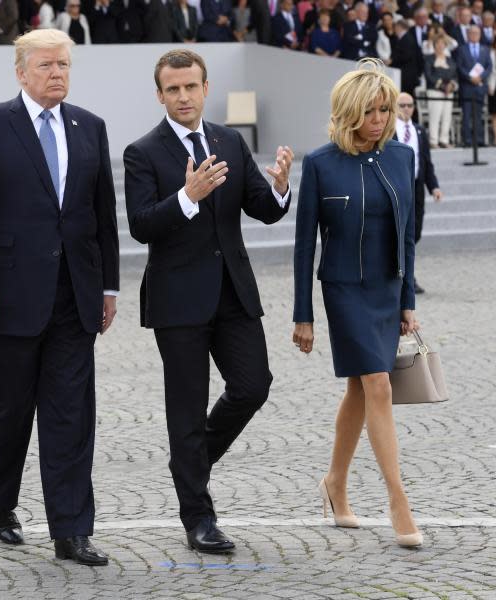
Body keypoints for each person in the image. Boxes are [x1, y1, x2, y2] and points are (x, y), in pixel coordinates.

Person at [0, 29, 119, 566]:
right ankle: (1, 500)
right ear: (21, 72)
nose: (57, 74)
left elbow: (102, 217)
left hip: (75, 295)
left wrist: (108, 286)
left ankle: (70, 531)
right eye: (47, 66)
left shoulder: (89, 127)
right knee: (9, 413)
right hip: (10, 298)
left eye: (64, 65)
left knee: (71, 414)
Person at [123, 49, 293, 555]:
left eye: (190, 87)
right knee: (186, 411)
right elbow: (140, 224)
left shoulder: (228, 140)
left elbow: (261, 208)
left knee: (253, 384)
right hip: (178, 302)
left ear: (205, 87)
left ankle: (191, 462)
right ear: (159, 94)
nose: (183, 96)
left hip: (233, 293)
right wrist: (187, 197)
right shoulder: (143, 151)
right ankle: (198, 518)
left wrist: (281, 188)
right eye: (172, 89)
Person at [292, 58, 423, 549]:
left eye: (385, 110)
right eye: (370, 111)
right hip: (343, 289)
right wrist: (302, 313)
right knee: (378, 385)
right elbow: (306, 245)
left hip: (387, 291)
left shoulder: (401, 159)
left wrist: (408, 298)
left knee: (359, 389)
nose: (379, 119)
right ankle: (398, 499)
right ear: (349, 112)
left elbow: (407, 237)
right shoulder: (321, 163)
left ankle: (335, 482)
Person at [393, 92, 442, 294]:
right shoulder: (389, 131)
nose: (406, 109)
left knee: (415, 230)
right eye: (402, 105)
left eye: (410, 105)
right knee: (401, 232)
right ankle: (405, 276)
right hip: (396, 187)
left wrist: (434, 187)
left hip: (416, 186)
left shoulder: (419, 131)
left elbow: (426, 162)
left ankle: (404, 270)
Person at [458, 25, 492, 146]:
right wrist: (470, 77)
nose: (474, 35)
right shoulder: (462, 49)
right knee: (466, 115)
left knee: (478, 115)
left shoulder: (485, 49)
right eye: (472, 33)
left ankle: (479, 139)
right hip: (467, 86)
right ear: (468, 34)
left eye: (476, 33)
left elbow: (489, 66)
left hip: (480, 86)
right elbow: (460, 66)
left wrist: (480, 77)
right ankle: (467, 140)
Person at [424, 33, 458, 147]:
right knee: (435, 116)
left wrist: (451, 86)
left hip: (449, 92)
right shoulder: (429, 59)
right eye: (438, 43)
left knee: (447, 116)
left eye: (442, 43)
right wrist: (443, 86)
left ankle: (444, 140)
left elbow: (454, 75)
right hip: (434, 91)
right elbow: (429, 76)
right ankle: (433, 141)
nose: (440, 46)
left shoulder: (450, 60)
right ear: (434, 45)